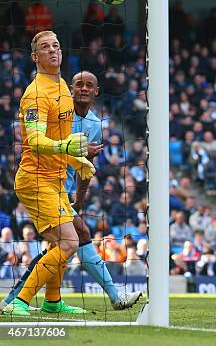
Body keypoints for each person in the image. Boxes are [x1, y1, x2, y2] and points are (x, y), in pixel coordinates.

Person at [0, 71, 142, 312]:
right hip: (41, 182)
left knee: (62, 245)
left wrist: (79, 200)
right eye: (78, 85)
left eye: (89, 85)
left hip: (63, 190)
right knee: (76, 237)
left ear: (96, 91)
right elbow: (39, 141)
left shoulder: (95, 124)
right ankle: (114, 295)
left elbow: (85, 167)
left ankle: (45, 302)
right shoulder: (56, 110)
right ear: (70, 89)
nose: (83, 89)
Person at [3, 31, 93, 316]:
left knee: (61, 242)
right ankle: (19, 301)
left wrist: (76, 160)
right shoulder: (36, 94)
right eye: (45, 47)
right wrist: (68, 146)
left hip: (54, 178)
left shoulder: (64, 86)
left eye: (56, 45)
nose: (53, 50)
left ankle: (53, 301)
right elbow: (36, 141)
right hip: (34, 179)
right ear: (35, 57)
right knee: (69, 241)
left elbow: (59, 139)